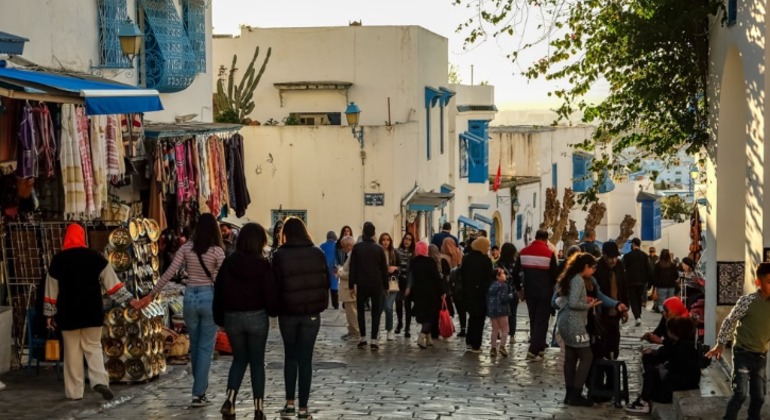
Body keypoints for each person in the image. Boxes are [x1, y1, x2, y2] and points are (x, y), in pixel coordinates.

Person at [44, 224, 140, 401]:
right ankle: (99, 381)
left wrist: (49, 314)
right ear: (83, 237)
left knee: (72, 352)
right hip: (92, 312)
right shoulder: (95, 258)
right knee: (94, 347)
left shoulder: (58, 260)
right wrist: (130, 300)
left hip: (68, 314)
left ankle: (74, 392)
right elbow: (113, 285)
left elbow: (51, 291)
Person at [139, 213, 225, 406]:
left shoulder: (186, 248)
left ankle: (198, 388)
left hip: (190, 298)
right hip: (208, 298)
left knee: (194, 346)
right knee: (205, 348)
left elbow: (169, 272)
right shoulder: (217, 252)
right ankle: (199, 393)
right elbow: (224, 280)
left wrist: (151, 294)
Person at [213, 223, 279, 420]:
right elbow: (270, 293)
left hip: (233, 317)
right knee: (257, 363)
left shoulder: (228, 263)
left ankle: (230, 400)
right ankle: (258, 409)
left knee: (239, 360)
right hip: (257, 317)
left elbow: (219, 292)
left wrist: (220, 318)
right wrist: (273, 310)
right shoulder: (264, 266)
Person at [272, 217, 329, 420]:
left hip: (287, 314)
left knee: (290, 356)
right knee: (306, 360)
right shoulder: (317, 253)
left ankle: (289, 404)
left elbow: (275, 284)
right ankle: (304, 409)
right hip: (311, 314)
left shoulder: (280, 255)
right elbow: (326, 281)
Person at [706, 262, 770, 420]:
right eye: (769, 281)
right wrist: (720, 344)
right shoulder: (747, 301)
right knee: (740, 393)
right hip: (742, 352)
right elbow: (729, 321)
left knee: (759, 397)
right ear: (758, 282)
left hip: (761, 355)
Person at [554, 253, 602, 407]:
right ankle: (576, 393)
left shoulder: (569, 278)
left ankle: (569, 394)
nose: (593, 271)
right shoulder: (578, 280)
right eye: (592, 268)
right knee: (586, 357)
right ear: (585, 267)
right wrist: (589, 305)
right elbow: (574, 303)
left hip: (564, 321)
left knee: (571, 357)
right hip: (574, 323)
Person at [625, 317, 700, 414]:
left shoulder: (685, 347)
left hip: (681, 383)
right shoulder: (679, 343)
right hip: (677, 379)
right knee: (650, 361)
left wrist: (660, 369)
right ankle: (643, 399)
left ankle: (643, 403)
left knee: (652, 373)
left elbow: (675, 367)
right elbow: (666, 353)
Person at [515, 229, 559, 361]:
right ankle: (534, 349)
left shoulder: (524, 252)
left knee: (533, 318)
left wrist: (519, 288)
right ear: (546, 240)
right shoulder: (549, 253)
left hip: (529, 291)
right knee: (542, 320)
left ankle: (540, 347)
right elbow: (554, 275)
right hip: (545, 292)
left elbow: (515, 271)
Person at [348, 222, 389, 350]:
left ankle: (363, 338)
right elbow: (383, 269)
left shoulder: (357, 248)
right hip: (376, 283)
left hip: (362, 283)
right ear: (374, 233)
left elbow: (352, 268)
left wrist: (351, 286)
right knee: (375, 312)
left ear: (363, 233)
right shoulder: (379, 248)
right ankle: (374, 340)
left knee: (360, 311)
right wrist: (386, 286)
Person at [593, 241, 630, 360]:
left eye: (615, 257)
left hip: (616, 312)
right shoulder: (597, 268)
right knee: (601, 345)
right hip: (601, 313)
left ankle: (612, 370)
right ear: (603, 255)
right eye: (610, 257)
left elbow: (624, 287)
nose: (613, 260)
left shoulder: (619, 265)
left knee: (613, 344)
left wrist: (624, 308)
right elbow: (598, 293)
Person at [407, 241, 445, 349]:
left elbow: (411, 276)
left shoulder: (413, 261)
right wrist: (442, 291)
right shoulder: (430, 261)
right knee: (430, 315)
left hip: (418, 292)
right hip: (431, 293)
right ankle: (422, 336)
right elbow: (436, 277)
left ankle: (428, 339)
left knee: (423, 314)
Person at [460, 237, 495, 353]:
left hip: (468, 292)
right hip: (481, 293)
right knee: (479, 319)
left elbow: (462, 274)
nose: (488, 248)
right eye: (487, 246)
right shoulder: (485, 260)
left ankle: (469, 341)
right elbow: (488, 277)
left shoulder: (467, 258)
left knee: (472, 317)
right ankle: (476, 345)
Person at [624, 238, 653, 326]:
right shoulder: (645, 256)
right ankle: (638, 316)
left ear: (633, 244)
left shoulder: (627, 256)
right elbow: (649, 270)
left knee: (633, 300)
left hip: (631, 281)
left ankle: (637, 316)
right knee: (639, 299)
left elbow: (622, 268)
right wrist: (650, 283)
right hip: (642, 281)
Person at [336, 236, 360, 341]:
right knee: (350, 313)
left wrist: (340, 272)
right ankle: (351, 331)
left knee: (352, 313)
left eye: (343, 247)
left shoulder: (354, 256)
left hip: (350, 289)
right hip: (348, 289)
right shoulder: (351, 255)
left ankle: (355, 333)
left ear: (349, 246)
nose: (343, 249)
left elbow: (352, 274)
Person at [496, 243, 520, 345]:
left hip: (500, 292)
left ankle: (500, 332)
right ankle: (512, 336)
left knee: (500, 313)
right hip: (513, 292)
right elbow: (520, 277)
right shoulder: (516, 264)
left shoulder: (497, 264)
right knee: (512, 314)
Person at [379, 232, 400, 341]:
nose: (385, 242)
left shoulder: (394, 253)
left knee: (388, 307)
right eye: (383, 239)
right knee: (378, 308)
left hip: (392, 283)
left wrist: (395, 268)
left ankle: (389, 330)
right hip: (380, 284)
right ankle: (376, 329)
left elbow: (402, 267)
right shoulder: (377, 252)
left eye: (387, 239)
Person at [487, 264, 512, 357]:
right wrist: (511, 296)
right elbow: (503, 298)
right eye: (503, 274)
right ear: (498, 276)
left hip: (493, 311)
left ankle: (493, 348)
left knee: (495, 330)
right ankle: (502, 347)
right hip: (503, 311)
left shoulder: (491, 285)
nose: (505, 275)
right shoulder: (503, 286)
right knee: (505, 330)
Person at [395, 232, 415, 337]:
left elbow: (412, 271)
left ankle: (407, 328)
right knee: (398, 303)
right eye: (406, 239)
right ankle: (399, 323)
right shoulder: (397, 252)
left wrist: (409, 286)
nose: (407, 241)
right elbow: (394, 265)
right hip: (398, 280)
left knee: (407, 306)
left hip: (408, 281)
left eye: (409, 239)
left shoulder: (413, 254)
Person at [320, 231, 340, 309]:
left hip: (324, 268)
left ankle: (325, 304)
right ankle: (335, 304)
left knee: (325, 287)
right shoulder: (336, 246)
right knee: (334, 286)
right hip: (334, 267)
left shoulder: (322, 246)